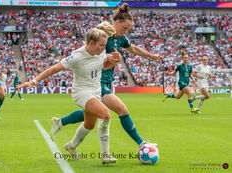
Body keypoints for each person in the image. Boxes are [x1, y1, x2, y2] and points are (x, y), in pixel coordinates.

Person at [50, 3, 163, 164]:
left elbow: (134, 49)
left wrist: (151, 55)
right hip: (97, 82)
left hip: (106, 82)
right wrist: (111, 61)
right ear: (116, 23)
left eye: (128, 29)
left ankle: (65, 132)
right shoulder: (103, 37)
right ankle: (140, 143)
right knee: (119, 110)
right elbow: (92, 58)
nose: (126, 32)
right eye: (124, 28)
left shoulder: (121, 39)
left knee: (92, 118)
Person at [18, 28, 121, 160]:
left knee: (89, 125)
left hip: (96, 92)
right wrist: (34, 81)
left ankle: (71, 146)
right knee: (106, 115)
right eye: (101, 45)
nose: (103, 48)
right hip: (82, 93)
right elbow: (53, 69)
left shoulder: (101, 53)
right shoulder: (77, 57)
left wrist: (113, 61)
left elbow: (103, 65)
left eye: (104, 45)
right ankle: (105, 155)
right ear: (90, 43)